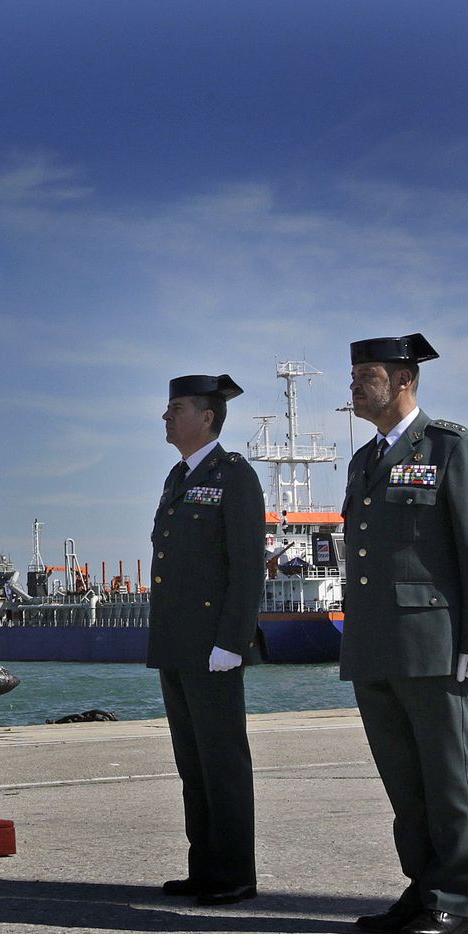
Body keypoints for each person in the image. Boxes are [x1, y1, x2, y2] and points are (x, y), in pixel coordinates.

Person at [342, 333, 468, 934]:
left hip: (432, 643)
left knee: (444, 776)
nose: (354, 386)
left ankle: (453, 899)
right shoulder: (363, 461)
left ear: (402, 380)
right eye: (354, 375)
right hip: (374, 644)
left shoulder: (451, 448)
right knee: (402, 779)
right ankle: (421, 887)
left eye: (366, 375)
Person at [148, 374, 265, 906]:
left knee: (223, 764)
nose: (166, 418)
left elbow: (246, 568)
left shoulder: (234, 476)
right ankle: (205, 867)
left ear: (207, 418)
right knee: (192, 764)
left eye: (175, 409)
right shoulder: (178, 477)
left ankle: (236, 872)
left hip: (214, 648)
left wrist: (232, 642)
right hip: (177, 644)